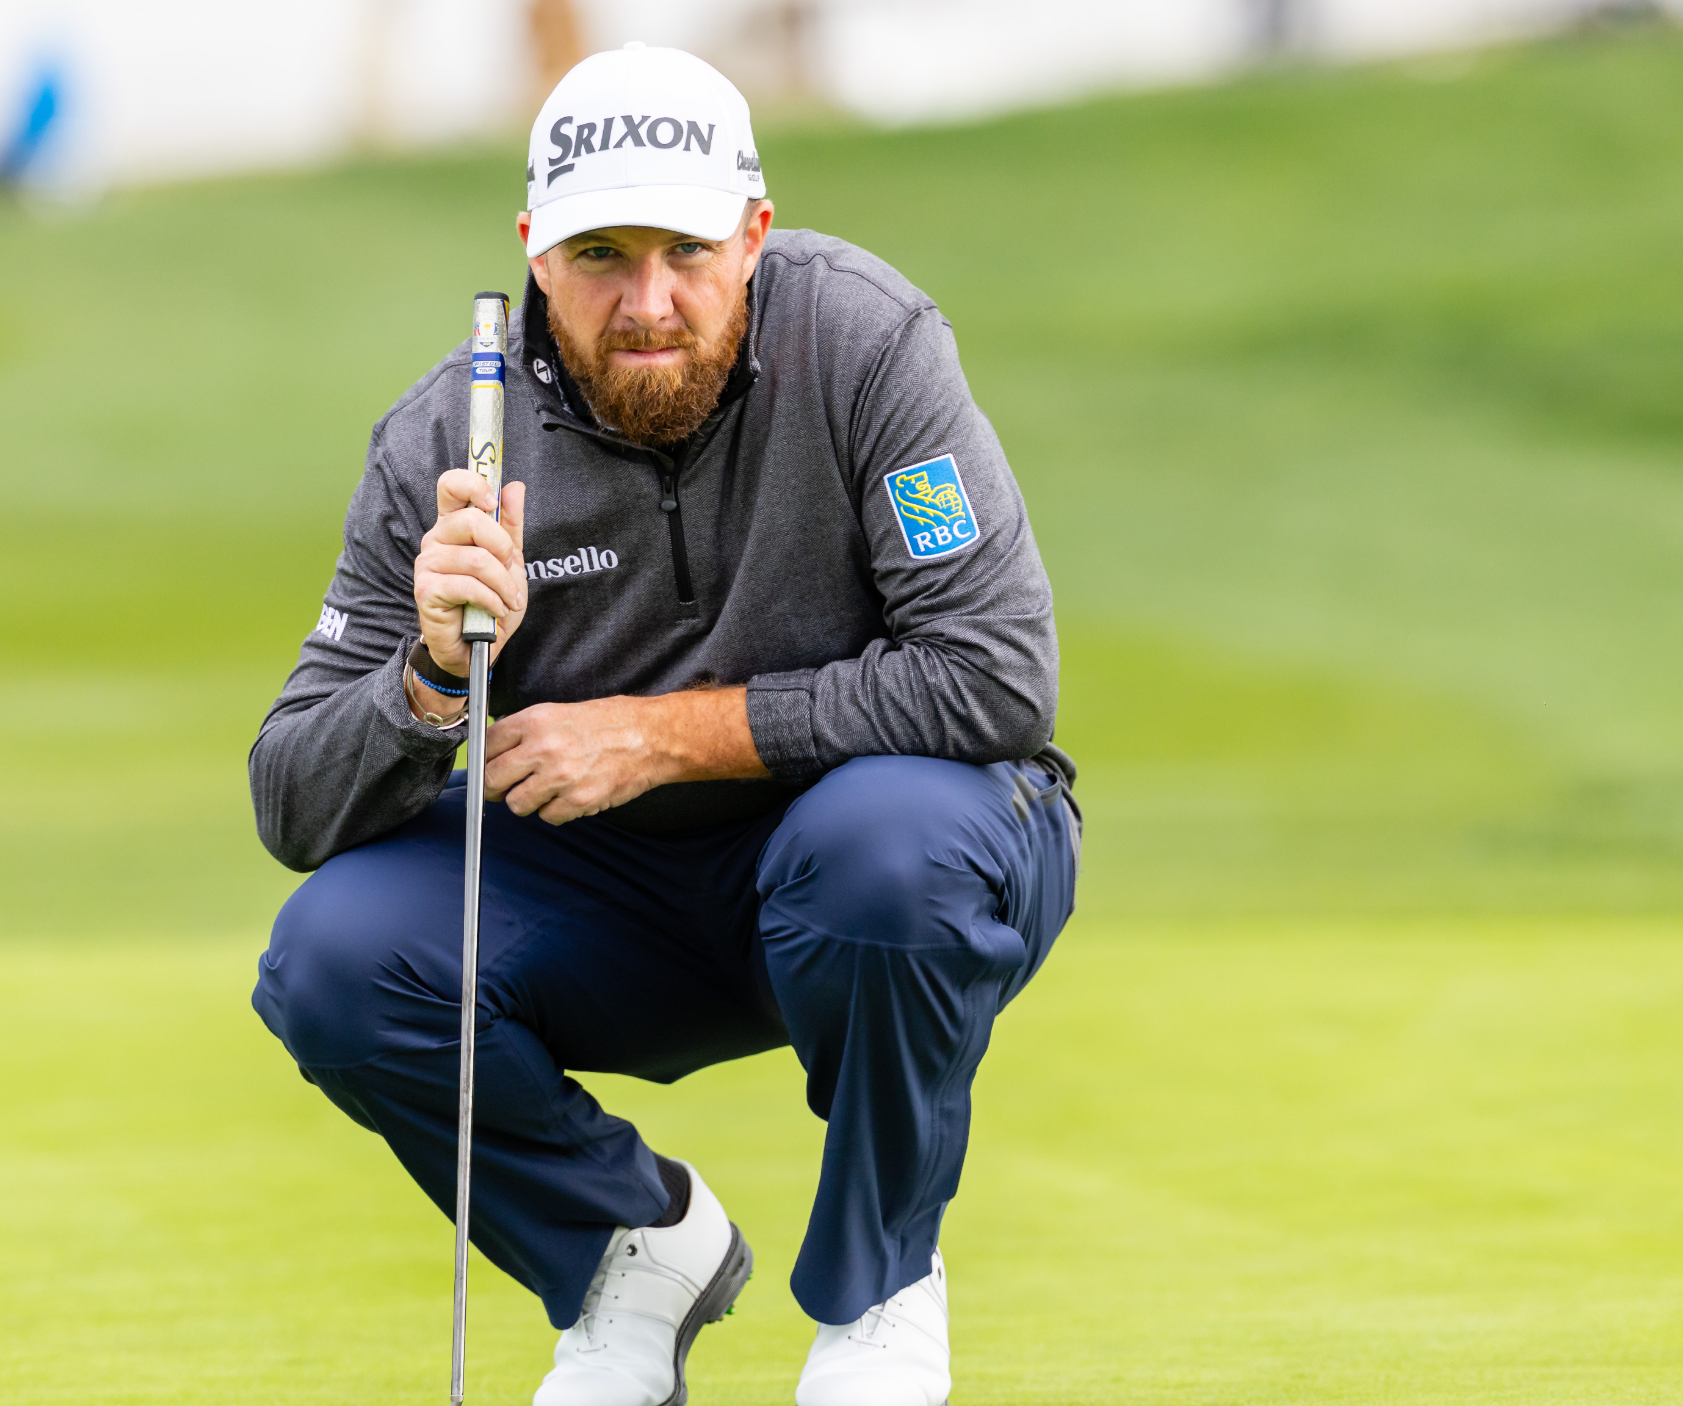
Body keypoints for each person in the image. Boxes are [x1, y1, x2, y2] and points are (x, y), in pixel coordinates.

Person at [250, 43, 1077, 1406]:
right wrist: (429, 678)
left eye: (686, 252)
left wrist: (659, 735)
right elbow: (290, 798)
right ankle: (630, 1262)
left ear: (754, 233)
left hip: (880, 862)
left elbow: (993, 675)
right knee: (333, 957)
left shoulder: (864, 344)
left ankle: (880, 1286)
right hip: (616, 902)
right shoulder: (450, 438)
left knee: (887, 853)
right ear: (534, 252)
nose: (649, 303)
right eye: (600, 257)